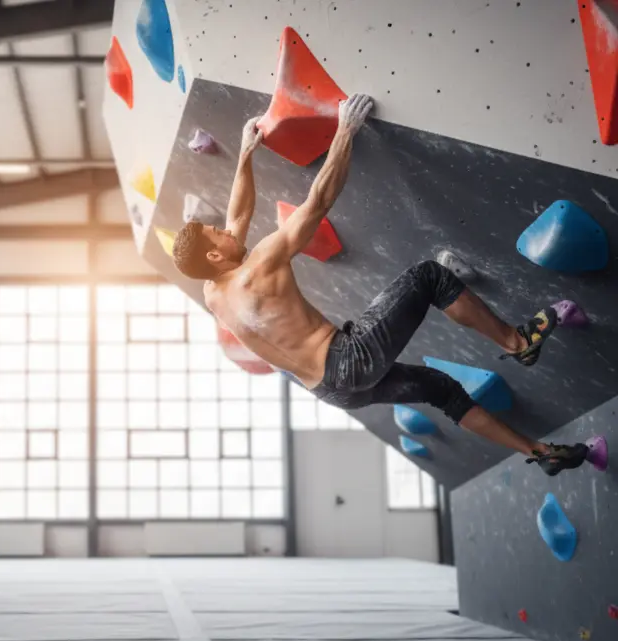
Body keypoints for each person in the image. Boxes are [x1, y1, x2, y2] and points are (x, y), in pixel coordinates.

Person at [170, 93, 587, 476]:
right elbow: (318, 201)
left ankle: (538, 452)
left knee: (440, 390)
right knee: (429, 276)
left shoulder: (215, 292)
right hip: (349, 359)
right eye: (216, 235)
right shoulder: (260, 262)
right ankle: (517, 343)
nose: (225, 231)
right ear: (213, 255)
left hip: (331, 390)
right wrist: (346, 131)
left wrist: (246, 152)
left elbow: (237, 216)